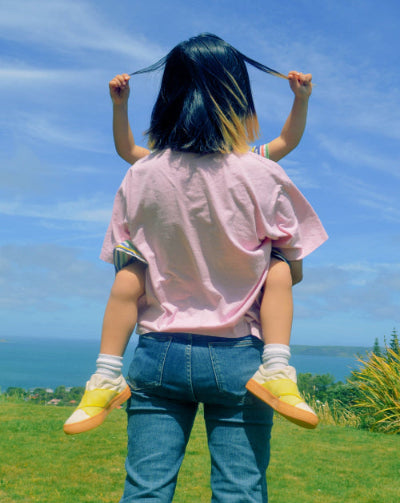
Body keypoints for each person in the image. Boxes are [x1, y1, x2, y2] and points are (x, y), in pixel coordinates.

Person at [63, 56, 319, 436]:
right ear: (237, 106)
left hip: (162, 341)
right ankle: (278, 366)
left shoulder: (155, 167)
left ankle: (105, 373)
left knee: (129, 277)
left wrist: (120, 107)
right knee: (280, 268)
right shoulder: (254, 164)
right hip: (237, 343)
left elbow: (126, 151)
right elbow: (288, 142)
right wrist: (301, 100)